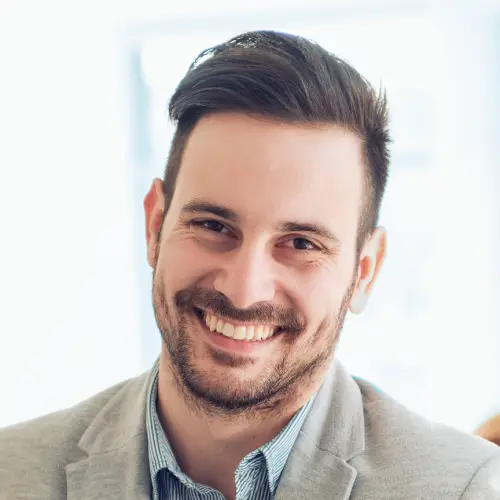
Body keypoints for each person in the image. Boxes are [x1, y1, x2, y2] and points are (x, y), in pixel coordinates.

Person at [1, 30, 499, 500]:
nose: (243, 290)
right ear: (155, 226)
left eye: (301, 243)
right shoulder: (11, 474)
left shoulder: (465, 488)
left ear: (364, 271)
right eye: (213, 225)